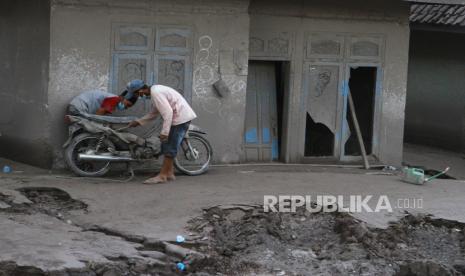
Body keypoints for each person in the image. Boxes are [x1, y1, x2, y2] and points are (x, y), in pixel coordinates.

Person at [126, 79, 197, 184]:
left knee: (169, 147)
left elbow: (168, 112)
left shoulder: (156, 93)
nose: (138, 96)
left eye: (136, 93)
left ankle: (162, 176)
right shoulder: (155, 91)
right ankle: (169, 173)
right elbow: (154, 113)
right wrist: (139, 122)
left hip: (180, 118)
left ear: (140, 91)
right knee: (167, 145)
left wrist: (165, 132)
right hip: (180, 116)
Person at [68, 89, 138, 116]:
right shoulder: (115, 99)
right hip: (79, 106)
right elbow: (99, 114)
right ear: (123, 98)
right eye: (128, 105)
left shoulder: (114, 101)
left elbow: (102, 114)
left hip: (78, 106)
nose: (126, 108)